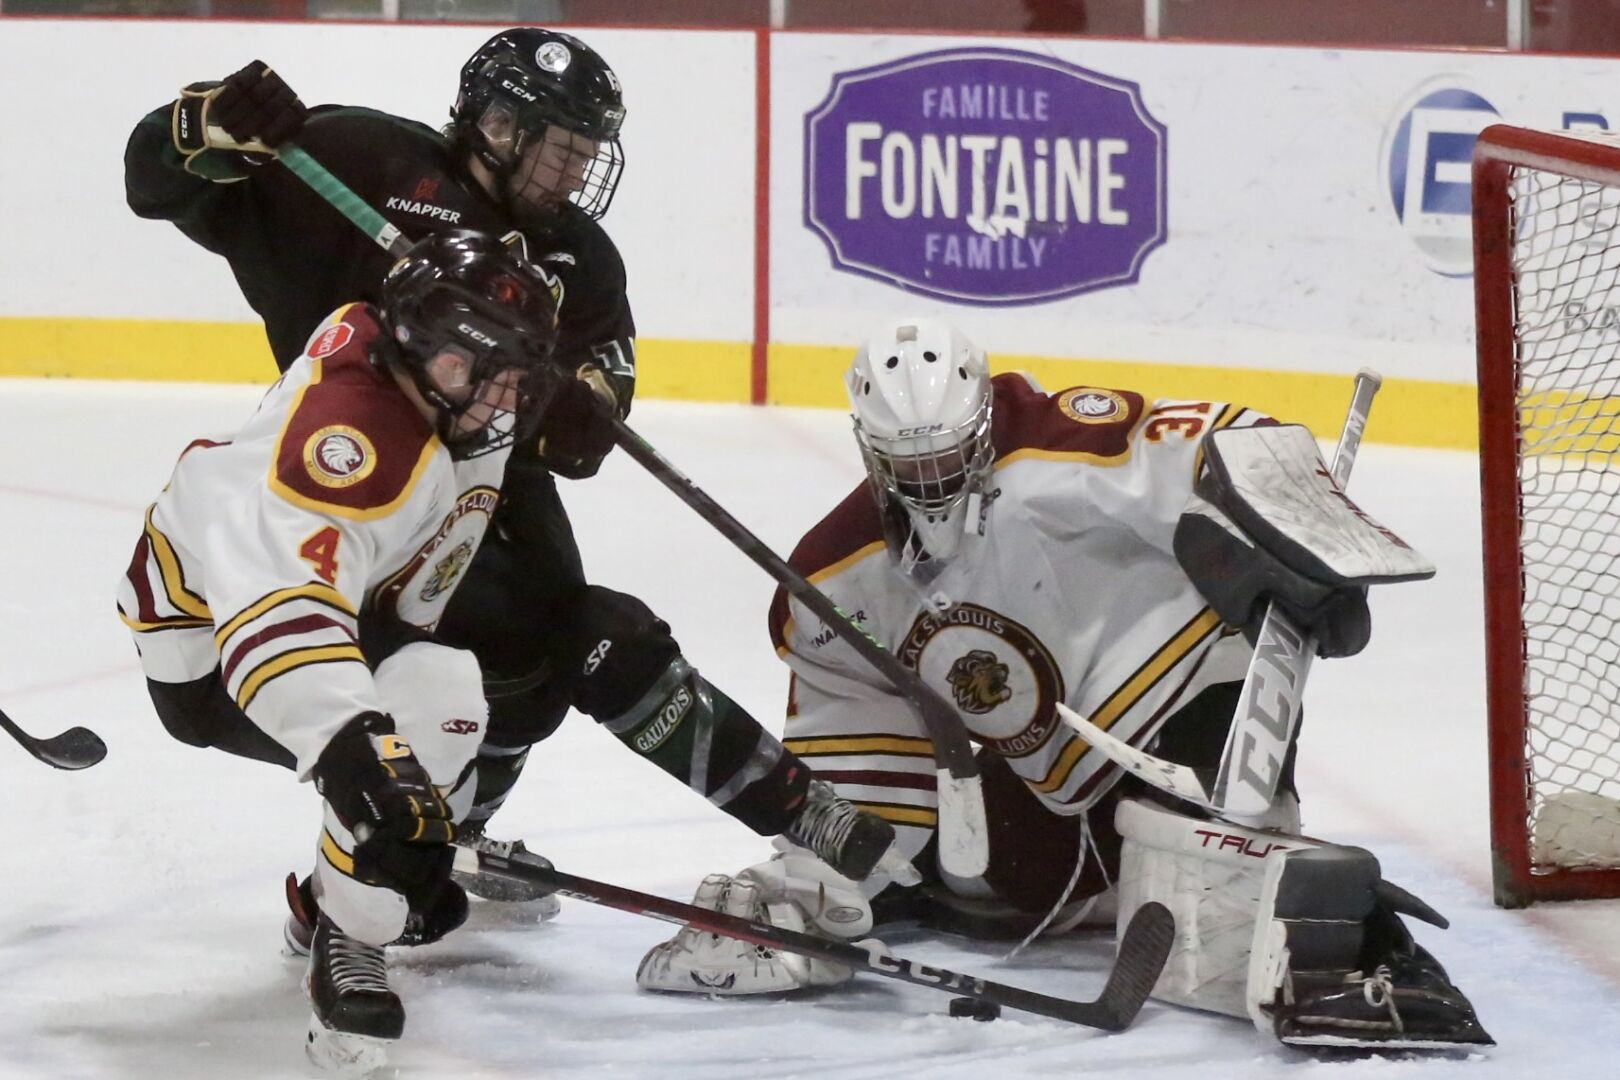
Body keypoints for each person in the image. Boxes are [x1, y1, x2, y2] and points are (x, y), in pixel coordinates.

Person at [123, 28, 903, 927]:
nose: (575, 173)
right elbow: (156, 183)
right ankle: (372, 870)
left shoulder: (580, 261)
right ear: (496, 124)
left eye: (586, 153)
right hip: (336, 475)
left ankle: (476, 822)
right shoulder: (358, 159)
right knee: (390, 678)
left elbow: (598, 401)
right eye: (560, 147)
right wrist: (204, 122)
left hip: (477, 491)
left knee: (571, 650)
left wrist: (580, 410)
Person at [637, 318, 1492, 1051]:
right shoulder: (834, 582)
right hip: (1038, 812)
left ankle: (1301, 901)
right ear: (867, 448)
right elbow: (862, 749)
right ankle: (1211, 873)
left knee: (1230, 685)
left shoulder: (1060, 441)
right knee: (923, 872)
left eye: (949, 453)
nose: (932, 481)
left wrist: (1292, 526)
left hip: (1166, 716)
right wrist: (843, 865)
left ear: (983, 422)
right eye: (908, 461)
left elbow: (1236, 436)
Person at [117, 231, 562, 1068]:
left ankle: (353, 871)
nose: (507, 394)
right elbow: (272, 610)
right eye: (489, 368)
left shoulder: (417, 368)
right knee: (437, 701)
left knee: (422, 731)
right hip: (212, 644)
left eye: (517, 371)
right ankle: (348, 933)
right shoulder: (351, 444)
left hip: (322, 603)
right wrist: (362, 761)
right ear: (427, 351)